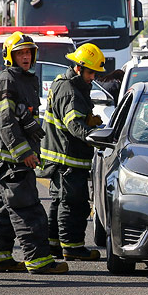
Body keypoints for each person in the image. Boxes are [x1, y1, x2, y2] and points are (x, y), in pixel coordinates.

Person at [0, 31, 68, 275]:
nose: (25, 57)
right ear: (10, 56)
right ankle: (39, 260)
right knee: (28, 210)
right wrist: (24, 154)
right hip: (13, 161)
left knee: (2, 210)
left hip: (8, 162)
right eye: (20, 53)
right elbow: (6, 121)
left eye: (28, 52)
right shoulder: (8, 80)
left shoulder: (25, 79)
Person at [41, 43, 105, 261]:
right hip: (68, 159)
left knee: (60, 202)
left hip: (60, 157)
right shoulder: (70, 91)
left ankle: (54, 245)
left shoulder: (65, 84)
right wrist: (95, 136)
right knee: (74, 204)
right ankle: (73, 247)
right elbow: (74, 125)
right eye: (90, 72)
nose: (93, 77)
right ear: (78, 68)